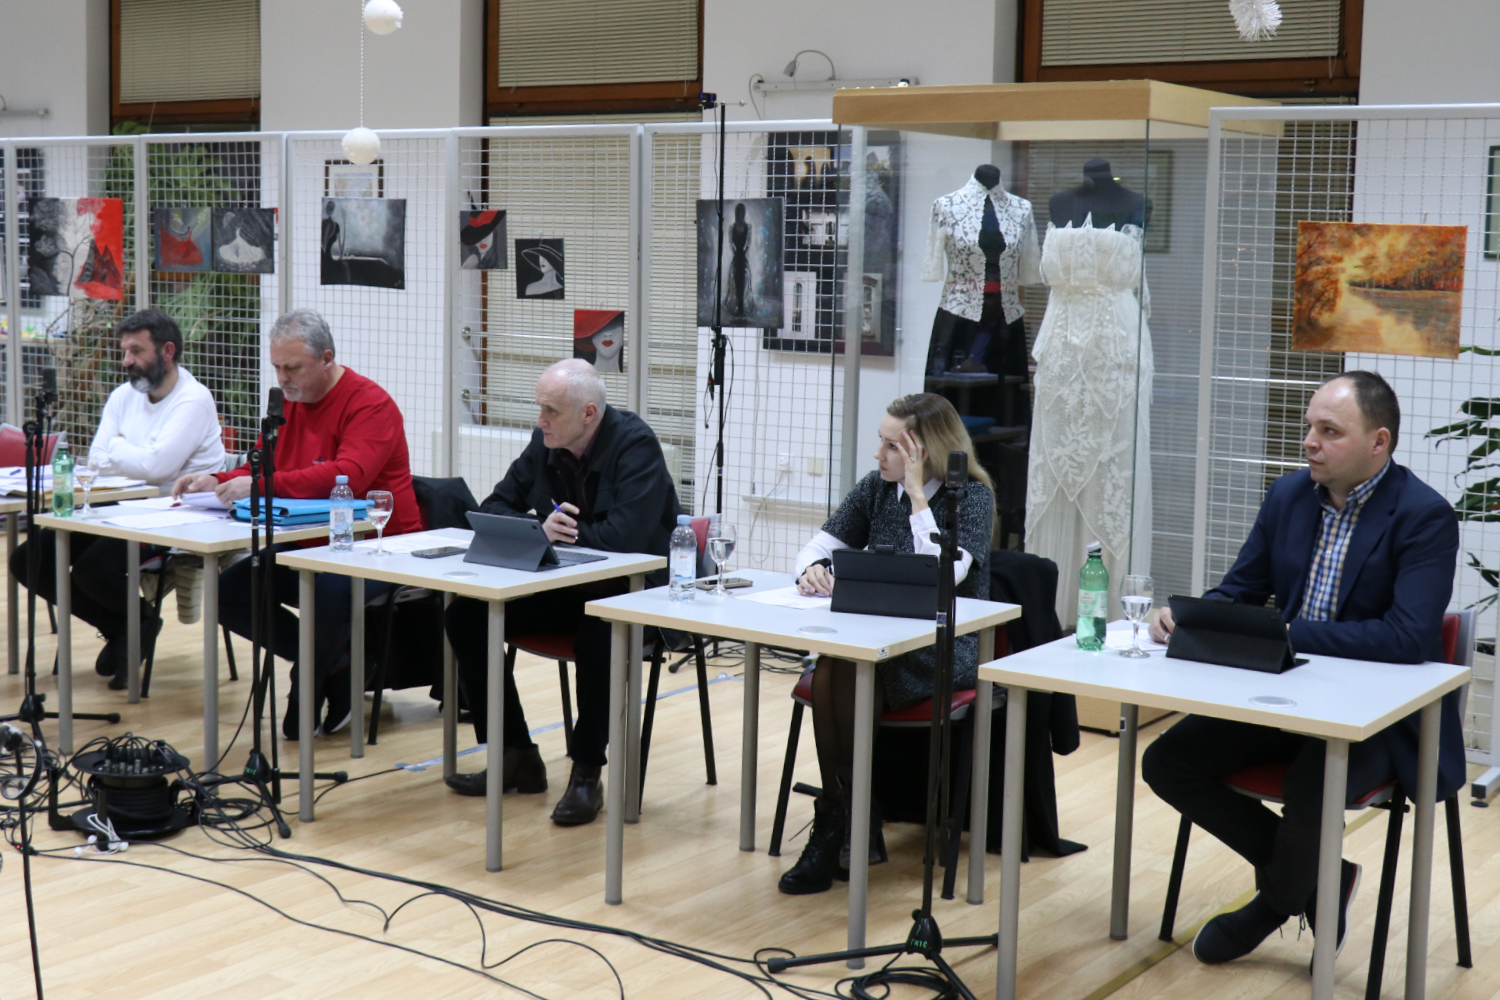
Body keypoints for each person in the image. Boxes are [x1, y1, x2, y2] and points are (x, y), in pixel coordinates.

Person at [1141, 371, 1462, 968]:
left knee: (1314, 782)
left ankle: (1273, 905)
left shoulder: (1424, 516)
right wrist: (1191, 615)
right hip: (1286, 694)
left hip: (1375, 719)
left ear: (1379, 442)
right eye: (1309, 427)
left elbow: (1409, 637)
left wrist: (1288, 632)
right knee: (1167, 761)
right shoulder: (1288, 495)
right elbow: (1240, 589)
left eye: (1329, 431)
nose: (1310, 441)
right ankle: (1322, 878)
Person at [443, 359, 682, 827]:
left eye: (550, 411)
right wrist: (538, 529)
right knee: (466, 615)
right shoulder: (545, 443)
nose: (540, 421)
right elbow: (494, 506)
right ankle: (515, 753)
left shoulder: (636, 446)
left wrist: (554, 536)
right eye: (540, 409)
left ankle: (587, 772)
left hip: (636, 594)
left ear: (588, 413)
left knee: (601, 634)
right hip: (566, 584)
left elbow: (625, 539)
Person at [779, 393, 995, 895]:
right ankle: (846, 816)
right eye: (881, 441)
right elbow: (816, 546)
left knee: (843, 669)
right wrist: (812, 570)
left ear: (924, 451)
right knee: (835, 666)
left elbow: (944, 576)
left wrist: (918, 496)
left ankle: (841, 821)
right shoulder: (876, 488)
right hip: (875, 642)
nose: (878, 454)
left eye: (892, 446)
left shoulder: (970, 497)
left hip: (940, 648)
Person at [174, 309, 422, 738]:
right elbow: (262, 465)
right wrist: (218, 479)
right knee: (230, 592)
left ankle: (308, 680)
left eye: (292, 368)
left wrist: (259, 485)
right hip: (314, 541)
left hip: (379, 544)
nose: (282, 378)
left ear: (327, 358)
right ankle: (337, 663)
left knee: (326, 590)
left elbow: (347, 477)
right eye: (276, 367)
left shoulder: (370, 404)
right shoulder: (288, 402)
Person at [10, 308, 225, 689]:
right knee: (28, 559)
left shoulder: (193, 400)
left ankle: (131, 628)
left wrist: (120, 449)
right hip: (118, 508)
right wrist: (133, 457)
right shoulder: (124, 396)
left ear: (167, 352)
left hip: (173, 516)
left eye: (136, 351)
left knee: (94, 570)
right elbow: (97, 459)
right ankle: (131, 625)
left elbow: (157, 467)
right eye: (125, 351)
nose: (126, 361)